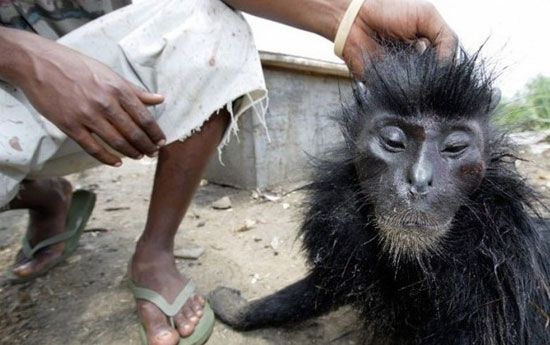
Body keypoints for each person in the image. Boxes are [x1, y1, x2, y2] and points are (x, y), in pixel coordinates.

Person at [0, 0, 456, 344]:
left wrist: (350, 16)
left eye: (454, 148)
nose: (419, 177)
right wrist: (26, 59)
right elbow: (335, 281)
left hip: (99, 58)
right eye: (394, 143)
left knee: (209, 24)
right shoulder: (342, 203)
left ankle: (151, 248)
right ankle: (40, 195)